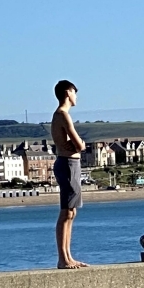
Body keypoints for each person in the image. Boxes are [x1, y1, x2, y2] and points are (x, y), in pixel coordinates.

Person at [50, 80, 87, 269]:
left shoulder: (61, 115)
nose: (76, 96)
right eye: (74, 92)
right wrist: (81, 144)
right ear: (67, 93)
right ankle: (63, 258)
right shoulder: (62, 115)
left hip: (71, 163)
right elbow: (79, 145)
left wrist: (77, 145)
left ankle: (68, 256)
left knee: (71, 212)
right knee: (66, 211)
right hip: (67, 163)